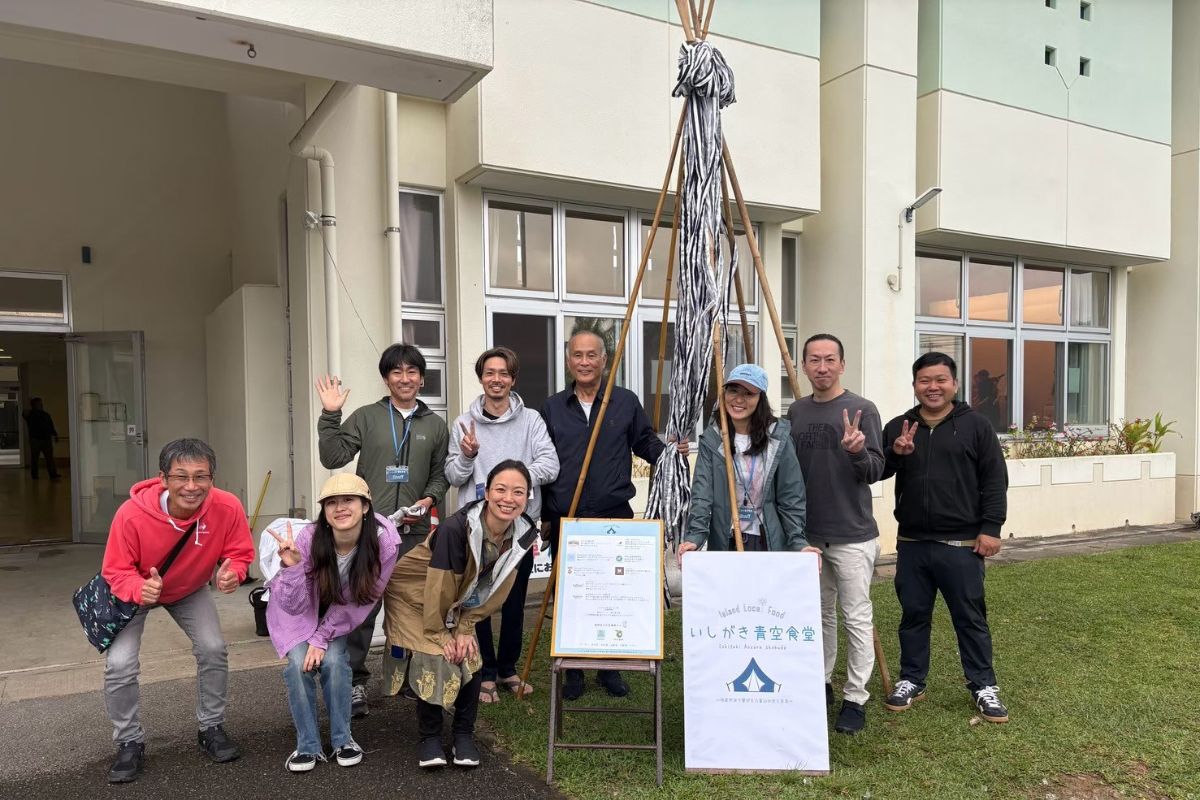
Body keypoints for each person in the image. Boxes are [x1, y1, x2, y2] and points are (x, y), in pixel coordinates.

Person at [99, 438, 255, 783]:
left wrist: (231, 574)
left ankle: (211, 727)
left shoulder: (227, 507)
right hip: (136, 591)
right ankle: (129, 741)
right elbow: (114, 570)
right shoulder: (131, 514)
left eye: (201, 477)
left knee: (214, 649)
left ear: (212, 479)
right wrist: (140, 588)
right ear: (163, 478)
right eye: (181, 476)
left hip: (188, 588)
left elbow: (239, 553)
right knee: (119, 664)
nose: (191, 486)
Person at [540, 328, 683, 701]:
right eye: (577, 355)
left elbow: (645, 441)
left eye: (592, 355)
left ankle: (609, 667)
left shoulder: (624, 402)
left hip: (613, 516)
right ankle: (572, 669)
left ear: (605, 361)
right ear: (568, 361)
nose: (585, 362)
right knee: (570, 595)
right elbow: (541, 463)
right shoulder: (553, 408)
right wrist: (542, 516)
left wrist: (668, 452)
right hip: (566, 518)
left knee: (611, 593)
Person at [317, 342, 450, 718]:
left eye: (412, 372)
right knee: (362, 606)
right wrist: (330, 414)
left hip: (414, 531)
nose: (404, 378)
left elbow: (441, 475)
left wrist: (429, 498)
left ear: (422, 378)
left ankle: (407, 675)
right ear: (386, 378)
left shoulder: (436, 425)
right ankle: (356, 683)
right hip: (371, 531)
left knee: (411, 604)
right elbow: (333, 456)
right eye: (397, 372)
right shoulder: (366, 417)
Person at [382, 460, 539, 769]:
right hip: (414, 597)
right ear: (487, 492)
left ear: (528, 497)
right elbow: (438, 587)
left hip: (456, 599)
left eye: (518, 492)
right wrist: (443, 634)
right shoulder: (457, 528)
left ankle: (463, 735)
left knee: (470, 654)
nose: (509, 498)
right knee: (436, 654)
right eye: (501, 490)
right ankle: (429, 737)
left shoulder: (523, 533)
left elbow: (499, 588)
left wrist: (466, 626)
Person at [881, 351, 1010, 723]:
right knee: (913, 615)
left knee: (969, 617)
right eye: (925, 380)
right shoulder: (900, 426)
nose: (932, 387)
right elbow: (880, 471)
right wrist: (896, 452)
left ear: (954, 384)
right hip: (913, 543)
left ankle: (983, 685)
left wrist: (991, 528)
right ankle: (912, 680)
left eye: (940, 380)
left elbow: (994, 480)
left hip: (962, 544)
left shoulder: (976, 426)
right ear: (915, 385)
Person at [445, 346, 559, 704]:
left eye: (504, 373)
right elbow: (452, 474)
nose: (497, 380)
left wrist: (514, 483)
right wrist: (467, 455)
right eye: (490, 373)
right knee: (477, 598)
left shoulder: (532, 421)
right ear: (481, 378)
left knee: (513, 597)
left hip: (521, 525)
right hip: (476, 527)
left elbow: (550, 465)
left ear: (513, 379)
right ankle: (486, 671)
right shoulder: (464, 423)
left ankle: (508, 668)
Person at [266, 474, 400, 773]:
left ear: (365, 506)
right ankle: (307, 745)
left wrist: (322, 637)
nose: (340, 508)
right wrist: (294, 567)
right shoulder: (309, 539)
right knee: (298, 665)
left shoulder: (385, 542)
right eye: (331, 502)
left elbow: (363, 600)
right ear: (324, 511)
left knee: (335, 662)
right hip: (299, 610)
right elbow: (294, 604)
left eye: (348, 500)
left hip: (339, 614)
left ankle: (344, 739)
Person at [787, 334, 885, 735]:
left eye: (830, 359)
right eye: (814, 360)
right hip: (810, 534)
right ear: (804, 366)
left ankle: (855, 697)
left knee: (856, 616)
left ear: (842, 364)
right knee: (819, 614)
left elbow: (876, 471)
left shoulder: (862, 409)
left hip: (852, 533)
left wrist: (857, 451)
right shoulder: (796, 412)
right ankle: (821, 682)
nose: (822, 367)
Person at [678, 363, 817, 557]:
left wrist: (798, 541)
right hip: (726, 541)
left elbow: (791, 496)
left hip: (766, 540)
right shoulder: (712, 439)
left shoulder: (778, 438)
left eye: (749, 394)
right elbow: (702, 494)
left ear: (761, 398)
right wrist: (694, 538)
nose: (739, 399)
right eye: (733, 391)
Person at [23, 397, 59, 480]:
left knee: (50, 458)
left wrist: (55, 434)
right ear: (34, 405)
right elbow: (24, 413)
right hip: (35, 440)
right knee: (35, 458)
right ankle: (34, 475)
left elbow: (51, 426)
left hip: (46, 439)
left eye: (41, 403)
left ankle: (53, 474)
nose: (41, 405)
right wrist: (30, 404)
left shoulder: (46, 415)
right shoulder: (30, 415)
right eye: (38, 403)